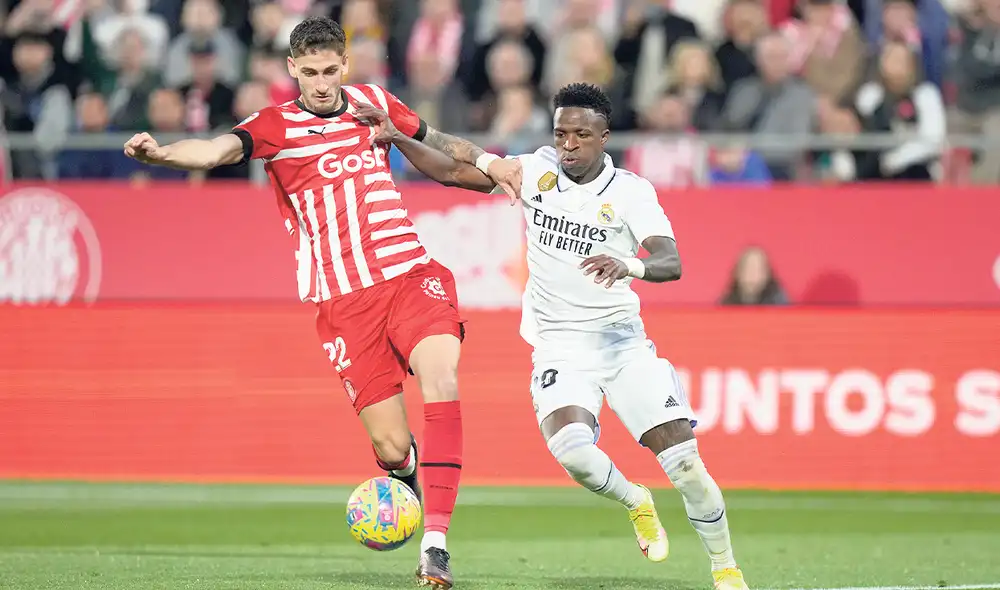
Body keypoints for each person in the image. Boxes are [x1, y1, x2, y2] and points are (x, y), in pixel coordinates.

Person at [122, 17, 518, 589]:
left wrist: (492, 163)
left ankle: (436, 544)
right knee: (389, 444)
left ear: (345, 64)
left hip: (409, 273)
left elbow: (441, 143)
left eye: (331, 69)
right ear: (292, 69)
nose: (322, 82)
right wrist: (160, 156)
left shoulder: (372, 102)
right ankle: (404, 477)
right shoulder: (274, 126)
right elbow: (213, 151)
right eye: (309, 72)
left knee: (442, 376)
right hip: (342, 300)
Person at [353, 83, 749, 590]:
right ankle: (636, 501)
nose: (568, 145)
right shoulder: (534, 171)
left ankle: (725, 568)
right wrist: (398, 138)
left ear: (604, 137)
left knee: (686, 464)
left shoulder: (631, 191)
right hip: (559, 345)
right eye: (561, 133)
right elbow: (454, 171)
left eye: (582, 135)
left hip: (620, 344)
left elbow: (670, 262)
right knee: (575, 454)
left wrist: (627, 264)